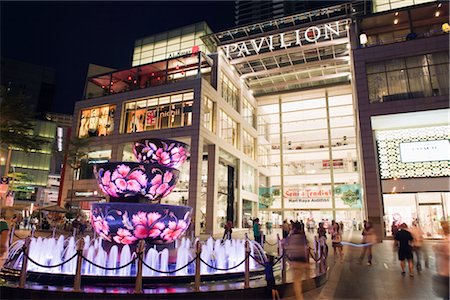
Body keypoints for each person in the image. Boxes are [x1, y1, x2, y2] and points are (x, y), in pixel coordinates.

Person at [283, 221, 309, 300]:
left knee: (297, 283)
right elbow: (306, 249)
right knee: (297, 282)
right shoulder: (303, 236)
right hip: (302, 261)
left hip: (295, 262)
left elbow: (286, 246)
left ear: (293, 227)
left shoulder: (291, 236)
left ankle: (299, 298)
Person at [432, 221, 449, 299]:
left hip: (446, 273)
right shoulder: (444, 241)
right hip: (444, 272)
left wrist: (439, 248)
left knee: (446, 295)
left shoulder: (446, 241)